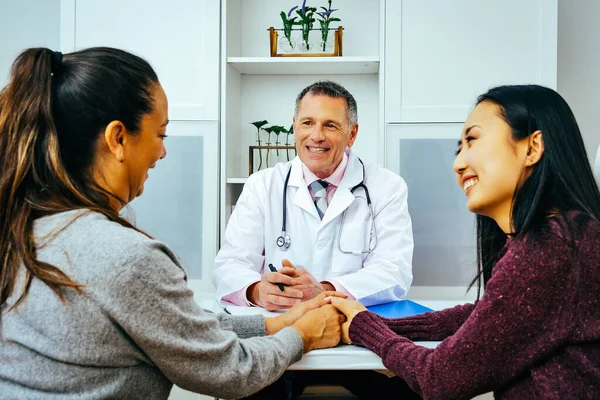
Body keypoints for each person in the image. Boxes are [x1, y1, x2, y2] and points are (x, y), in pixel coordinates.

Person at [0, 47, 347, 399]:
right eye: (160, 134)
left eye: (330, 125)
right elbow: (232, 371)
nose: (162, 152)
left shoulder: (24, 229)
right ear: (118, 138)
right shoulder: (128, 258)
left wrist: (276, 323)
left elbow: (175, 322)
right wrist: (303, 334)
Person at [331, 85, 600, 399]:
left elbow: (439, 379)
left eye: (473, 140)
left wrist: (363, 326)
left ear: (532, 148)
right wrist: (373, 323)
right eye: (460, 148)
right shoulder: (567, 233)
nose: (458, 164)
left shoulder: (552, 248)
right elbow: (486, 315)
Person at [213, 80, 414, 310]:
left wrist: (326, 290)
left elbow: (394, 270)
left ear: (352, 134)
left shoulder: (386, 187)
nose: (317, 136)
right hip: (281, 328)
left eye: (330, 125)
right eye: (308, 123)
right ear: (295, 127)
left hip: (351, 330)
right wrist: (257, 291)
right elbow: (230, 264)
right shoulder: (262, 185)